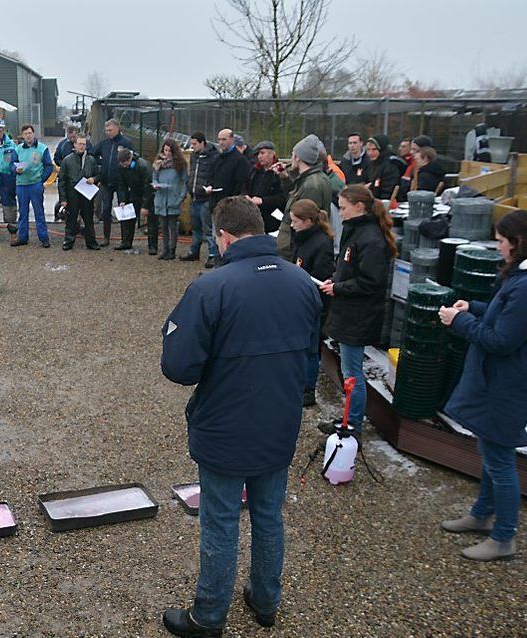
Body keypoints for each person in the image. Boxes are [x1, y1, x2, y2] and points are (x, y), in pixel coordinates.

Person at [160, 197, 321, 637]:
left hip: (226, 425)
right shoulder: (302, 282)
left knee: (221, 521)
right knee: (269, 516)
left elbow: (178, 367)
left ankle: (209, 615)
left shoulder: (211, 287)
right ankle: (266, 599)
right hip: (280, 421)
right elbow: (311, 355)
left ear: (224, 236)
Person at [438, 210, 527, 561]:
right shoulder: (526, 277)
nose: (497, 247)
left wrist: (461, 321)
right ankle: (482, 515)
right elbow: (505, 315)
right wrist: (477, 308)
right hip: (502, 377)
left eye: (500, 241)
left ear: (519, 243)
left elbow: (502, 340)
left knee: (499, 458)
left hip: (510, 380)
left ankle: (504, 536)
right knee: (490, 449)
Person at [318, 184, 396, 439]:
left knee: (353, 374)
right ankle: (348, 419)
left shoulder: (370, 238)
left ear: (359, 206)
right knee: (348, 370)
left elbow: (372, 281)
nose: (339, 214)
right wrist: (335, 281)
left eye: (342, 208)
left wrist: (339, 288)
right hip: (348, 312)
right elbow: (349, 269)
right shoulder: (357, 232)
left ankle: (352, 427)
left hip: (358, 316)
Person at [289, 199, 335, 407]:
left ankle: (308, 389)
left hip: (312, 303)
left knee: (310, 349)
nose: (292, 225)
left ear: (307, 221)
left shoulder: (321, 243)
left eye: (295, 221)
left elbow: (320, 276)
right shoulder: (300, 237)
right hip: (298, 300)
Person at [276, 134, 333, 260]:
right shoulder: (312, 179)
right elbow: (295, 201)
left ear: (298, 157)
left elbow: (305, 220)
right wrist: (285, 178)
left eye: (293, 154)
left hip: (294, 250)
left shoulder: (311, 186)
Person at [92, 119, 134, 246]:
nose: (108, 132)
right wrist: (100, 164)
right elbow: (92, 152)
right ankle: (106, 238)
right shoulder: (104, 143)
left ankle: (125, 239)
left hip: (121, 182)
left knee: (123, 210)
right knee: (106, 210)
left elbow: (134, 159)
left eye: (110, 130)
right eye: (106, 130)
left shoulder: (126, 143)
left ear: (117, 128)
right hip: (105, 181)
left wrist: (128, 172)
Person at [13, 124, 54, 248]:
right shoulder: (17, 149)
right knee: (23, 212)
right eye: (25, 134)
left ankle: (44, 238)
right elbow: (11, 164)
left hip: (35, 184)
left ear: (34, 134)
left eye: (30, 133)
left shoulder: (42, 148)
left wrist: (41, 180)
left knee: (39, 212)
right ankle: (22, 237)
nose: (28, 135)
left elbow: (49, 166)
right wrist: (15, 170)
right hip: (22, 185)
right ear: (22, 135)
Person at [181, 132, 219, 266]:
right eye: (191, 144)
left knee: (208, 229)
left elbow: (215, 175)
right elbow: (192, 173)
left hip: (206, 198)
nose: (192, 147)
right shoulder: (194, 156)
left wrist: (209, 187)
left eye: (194, 144)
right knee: (195, 227)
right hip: (194, 196)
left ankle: (213, 254)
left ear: (202, 143)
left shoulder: (213, 157)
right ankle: (194, 251)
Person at [57, 135, 101, 251]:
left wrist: (94, 179)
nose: (82, 146)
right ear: (75, 145)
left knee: (88, 219)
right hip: (72, 194)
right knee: (71, 218)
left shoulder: (91, 160)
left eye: (84, 144)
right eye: (80, 144)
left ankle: (91, 242)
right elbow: (61, 180)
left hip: (87, 193)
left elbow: (98, 174)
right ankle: (68, 241)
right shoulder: (67, 160)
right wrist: (63, 199)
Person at [115, 148, 156, 253]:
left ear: (130, 158)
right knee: (127, 219)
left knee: (152, 221)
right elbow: (121, 184)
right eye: (122, 164)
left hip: (147, 194)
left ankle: (152, 246)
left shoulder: (143, 166)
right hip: (133, 194)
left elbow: (148, 186)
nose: (124, 166)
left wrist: (145, 205)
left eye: (125, 163)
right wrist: (122, 199)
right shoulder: (121, 167)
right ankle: (126, 242)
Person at [152, 139, 188, 260]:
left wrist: (180, 197)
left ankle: (172, 249)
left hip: (173, 198)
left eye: (169, 150)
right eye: (165, 150)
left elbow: (184, 182)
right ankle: (165, 249)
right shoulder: (158, 164)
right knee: (163, 226)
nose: (166, 153)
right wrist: (156, 185)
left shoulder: (180, 164)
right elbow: (154, 178)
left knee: (172, 226)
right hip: (161, 197)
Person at [246, 141, 287, 234]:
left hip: (274, 219)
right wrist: (246, 197)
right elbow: (246, 187)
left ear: (272, 154)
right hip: (256, 218)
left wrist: (263, 201)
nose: (259, 156)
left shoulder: (280, 172)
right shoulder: (254, 171)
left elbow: (284, 197)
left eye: (262, 153)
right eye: (258, 154)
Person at [364, 134, 402, 201]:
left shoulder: (390, 165)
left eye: (374, 149)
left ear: (382, 149)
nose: (370, 153)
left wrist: (370, 188)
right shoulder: (371, 164)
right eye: (368, 149)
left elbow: (388, 191)